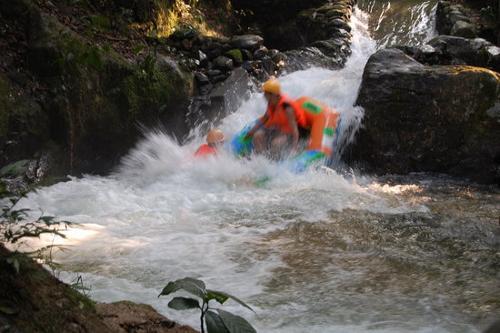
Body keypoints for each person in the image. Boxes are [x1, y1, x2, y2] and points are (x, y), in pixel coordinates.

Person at [245, 78, 300, 159]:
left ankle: (274, 161)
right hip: (277, 129)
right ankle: (262, 159)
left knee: (276, 144)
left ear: (273, 95)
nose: (264, 96)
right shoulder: (271, 102)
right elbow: (265, 118)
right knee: (257, 136)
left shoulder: (287, 108)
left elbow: (295, 129)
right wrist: (252, 131)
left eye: (266, 94)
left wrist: (295, 147)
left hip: (288, 133)